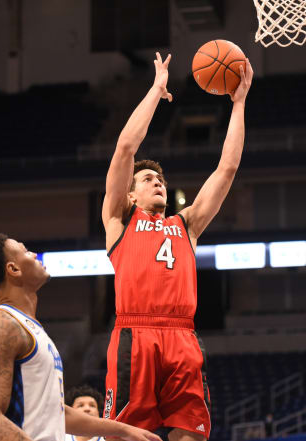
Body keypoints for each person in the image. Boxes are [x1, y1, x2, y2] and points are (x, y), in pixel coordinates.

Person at [101, 52, 253, 441]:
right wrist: (156, 90)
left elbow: (227, 169)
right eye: (149, 179)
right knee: (126, 435)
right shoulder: (119, 221)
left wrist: (238, 104)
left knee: (193, 435)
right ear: (131, 195)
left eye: (161, 180)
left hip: (182, 336)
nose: (158, 183)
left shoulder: (186, 225)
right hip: (135, 334)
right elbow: (124, 150)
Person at [0, 233, 162, 441]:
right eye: (25, 251)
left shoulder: (32, 328)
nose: (34, 255)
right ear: (13, 269)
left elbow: (58, 413)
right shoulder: (2, 323)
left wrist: (123, 429)